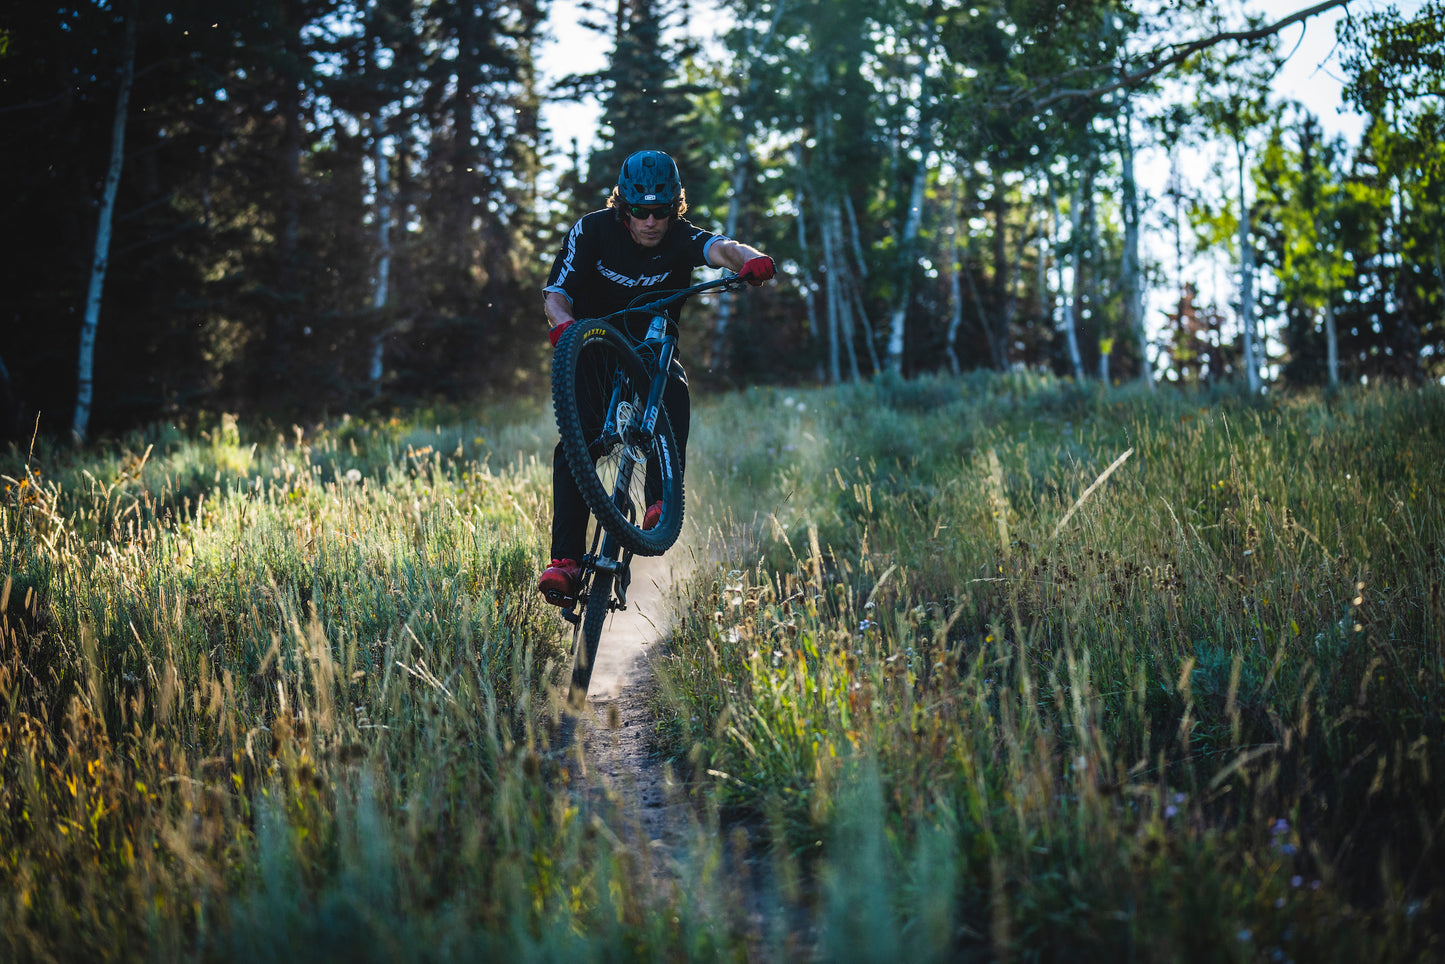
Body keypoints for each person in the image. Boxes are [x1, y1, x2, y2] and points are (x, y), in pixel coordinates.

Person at [538, 149, 774, 601]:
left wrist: (752, 257)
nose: (650, 221)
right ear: (623, 208)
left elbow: (723, 248)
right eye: (639, 212)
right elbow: (555, 294)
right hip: (592, 349)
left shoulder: (682, 237)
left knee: (676, 390)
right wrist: (565, 328)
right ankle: (565, 563)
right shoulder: (592, 230)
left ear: (674, 208)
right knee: (576, 447)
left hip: (652, 357)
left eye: (660, 212)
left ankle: (659, 501)